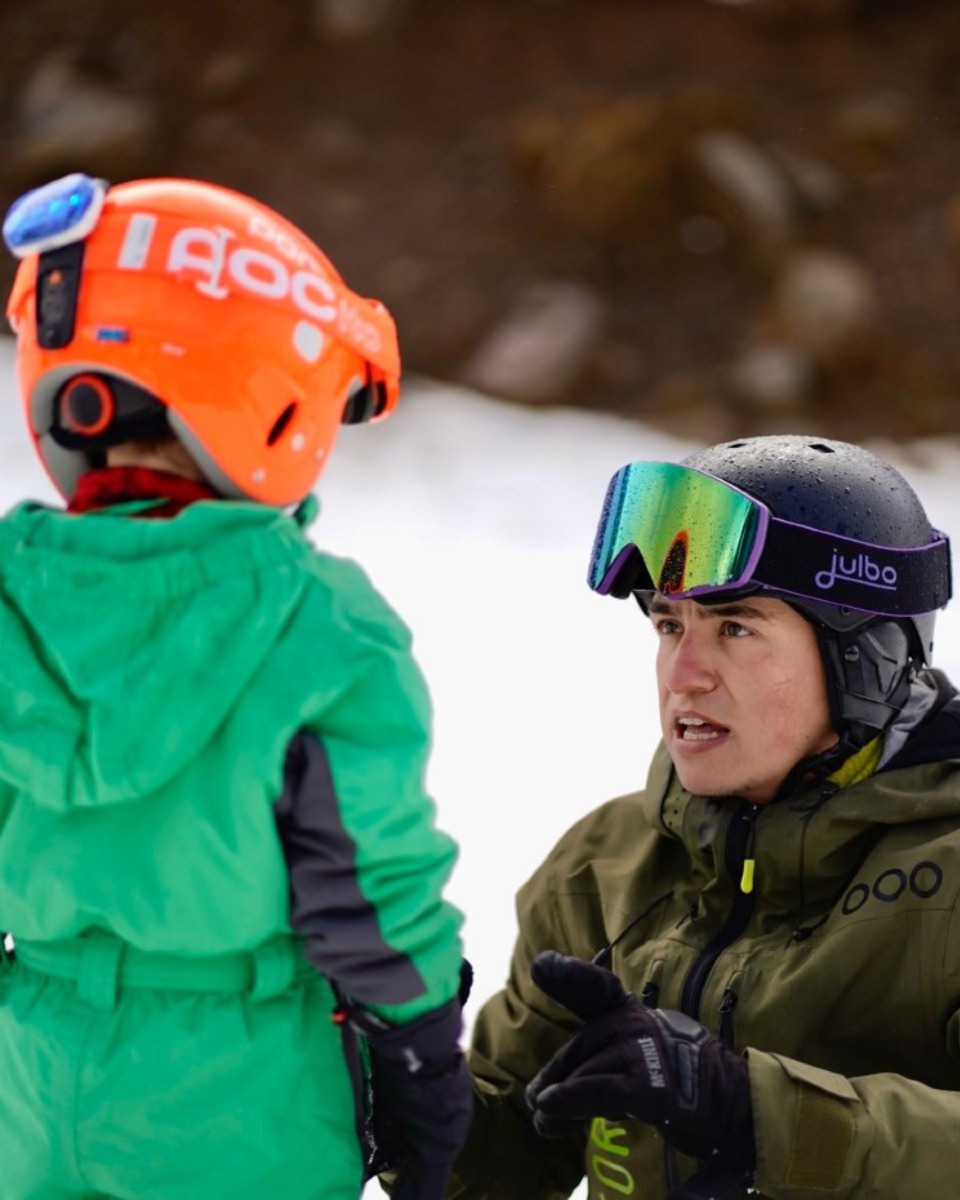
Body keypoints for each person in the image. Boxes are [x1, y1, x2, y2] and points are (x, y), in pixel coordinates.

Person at [0, 173, 471, 1200]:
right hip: (238, 1096)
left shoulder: (10, 598)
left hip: (27, 1079)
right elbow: (368, 894)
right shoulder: (322, 626)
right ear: (272, 393)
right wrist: (422, 1062)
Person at [447, 434, 960, 1200]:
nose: (683, 675)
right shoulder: (607, 861)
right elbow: (511, 1163)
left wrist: (755, 1115)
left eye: (737, 627)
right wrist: (409, 1097)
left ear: (868, 659)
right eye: (668, 626)